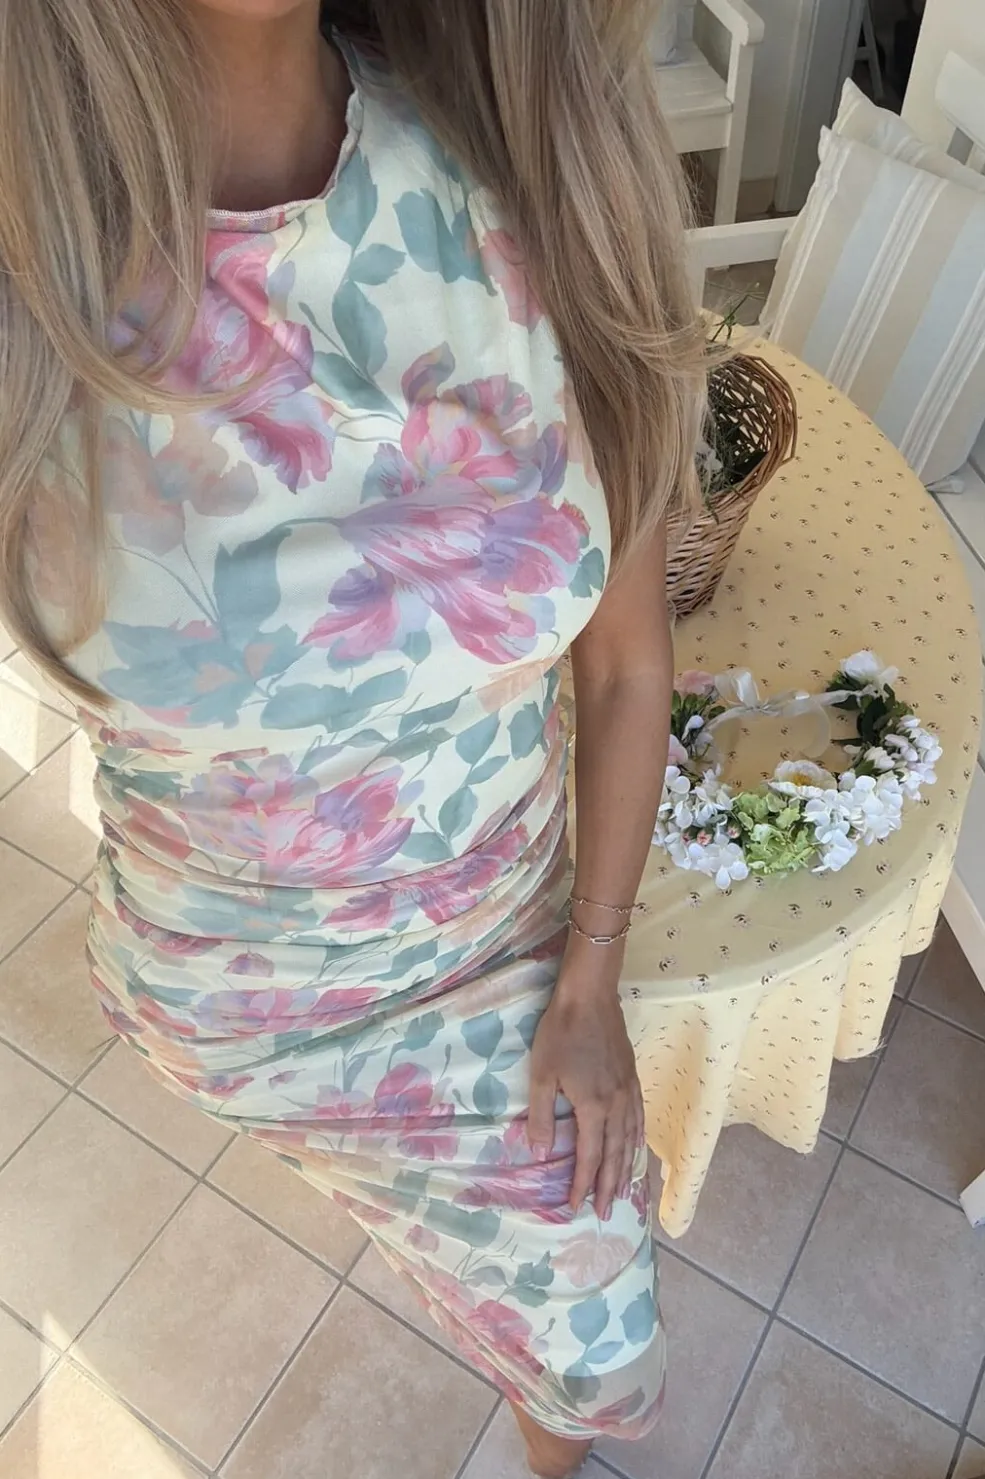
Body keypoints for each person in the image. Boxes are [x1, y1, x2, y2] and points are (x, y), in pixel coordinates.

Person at [0, 2, 705, 1474]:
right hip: (233, 991)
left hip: (502, 939)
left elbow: (628, 663)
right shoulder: (32, 274)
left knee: (599, 1349)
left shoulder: (539, 179)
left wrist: (591, 974)